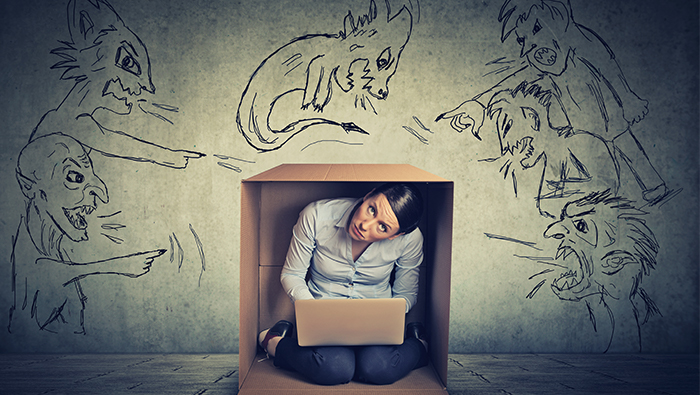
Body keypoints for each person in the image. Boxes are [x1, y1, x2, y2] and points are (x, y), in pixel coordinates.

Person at [258, 183, 429, 385]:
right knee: (335, 369)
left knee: (379, 368)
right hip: (323, 317)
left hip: (375, 324)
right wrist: (311, 311)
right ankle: (273, 342)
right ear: (368, 195)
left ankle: (418, 345)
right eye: (371, 209)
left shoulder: (410, 239)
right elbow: (292, 274)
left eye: (382, 227)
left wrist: (391, 315)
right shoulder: (316, 215)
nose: (365, 225)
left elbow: (406, 293)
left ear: (395, 235)